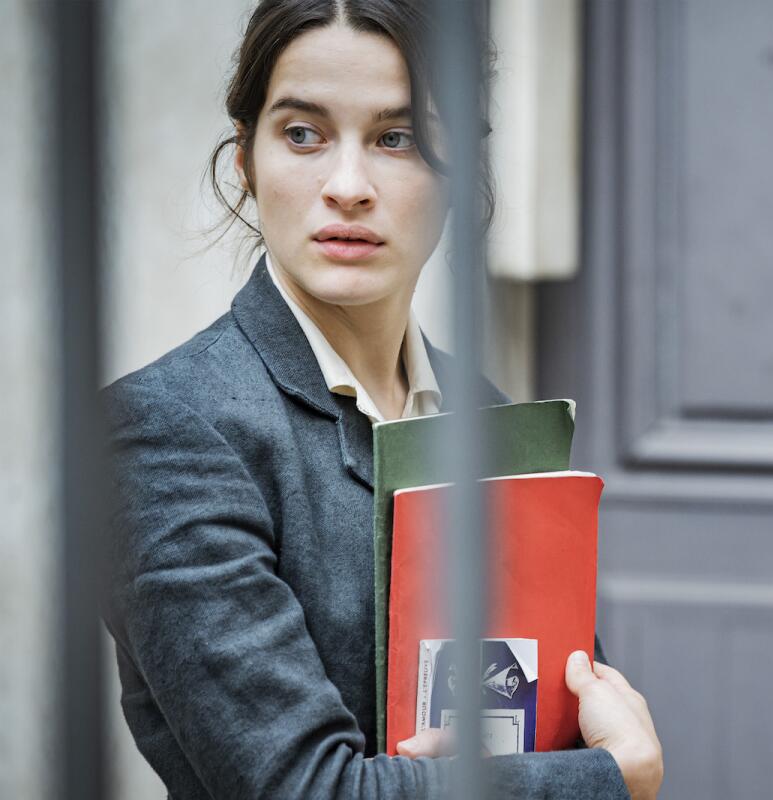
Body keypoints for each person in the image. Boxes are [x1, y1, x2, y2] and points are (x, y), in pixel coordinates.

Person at [100, 1, 663, 798]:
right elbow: (308, 788)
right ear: (244, 160)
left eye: (397, 138)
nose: (349, 186)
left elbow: (564, 712)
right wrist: (613, 779)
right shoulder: (166, 432)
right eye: (303, 133)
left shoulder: (488, 415)